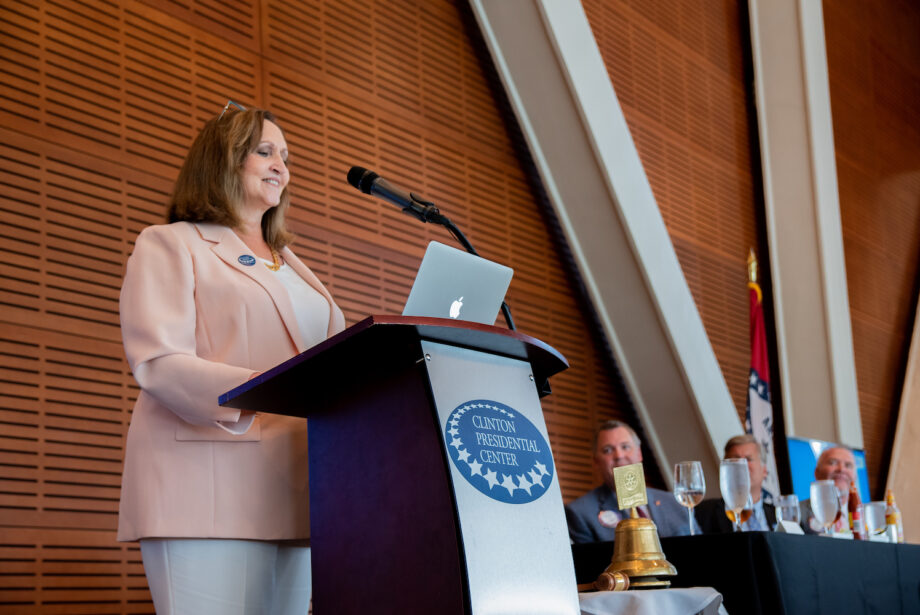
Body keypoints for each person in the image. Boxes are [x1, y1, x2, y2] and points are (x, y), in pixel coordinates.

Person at [117, 103, 346, 614]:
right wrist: (270, 385)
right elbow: (158, 360)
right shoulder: (171, 244)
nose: (281, 167)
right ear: (223, 161)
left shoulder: (295, 268)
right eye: (264, 152)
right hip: (205, 494)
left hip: (295, 495)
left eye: (286, 156)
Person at [565, 420, 695, 543]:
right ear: (596, 461)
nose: (619, 456)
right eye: (608, 450)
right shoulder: (580, 513)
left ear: (639, 454)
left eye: (625, 447)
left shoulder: (677, 503)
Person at [696, 434, 776, 533]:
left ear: (764, 471)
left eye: (748, 459)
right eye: (735, 460)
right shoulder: (703, 513)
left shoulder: (780, 515)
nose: (741, 466)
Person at [799, 446, 857, 534]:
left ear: (855, 476)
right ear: (817, 473)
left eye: (848, 465)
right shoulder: (798, 513)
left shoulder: (868, 518)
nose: (841, 469)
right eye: (833, 463)